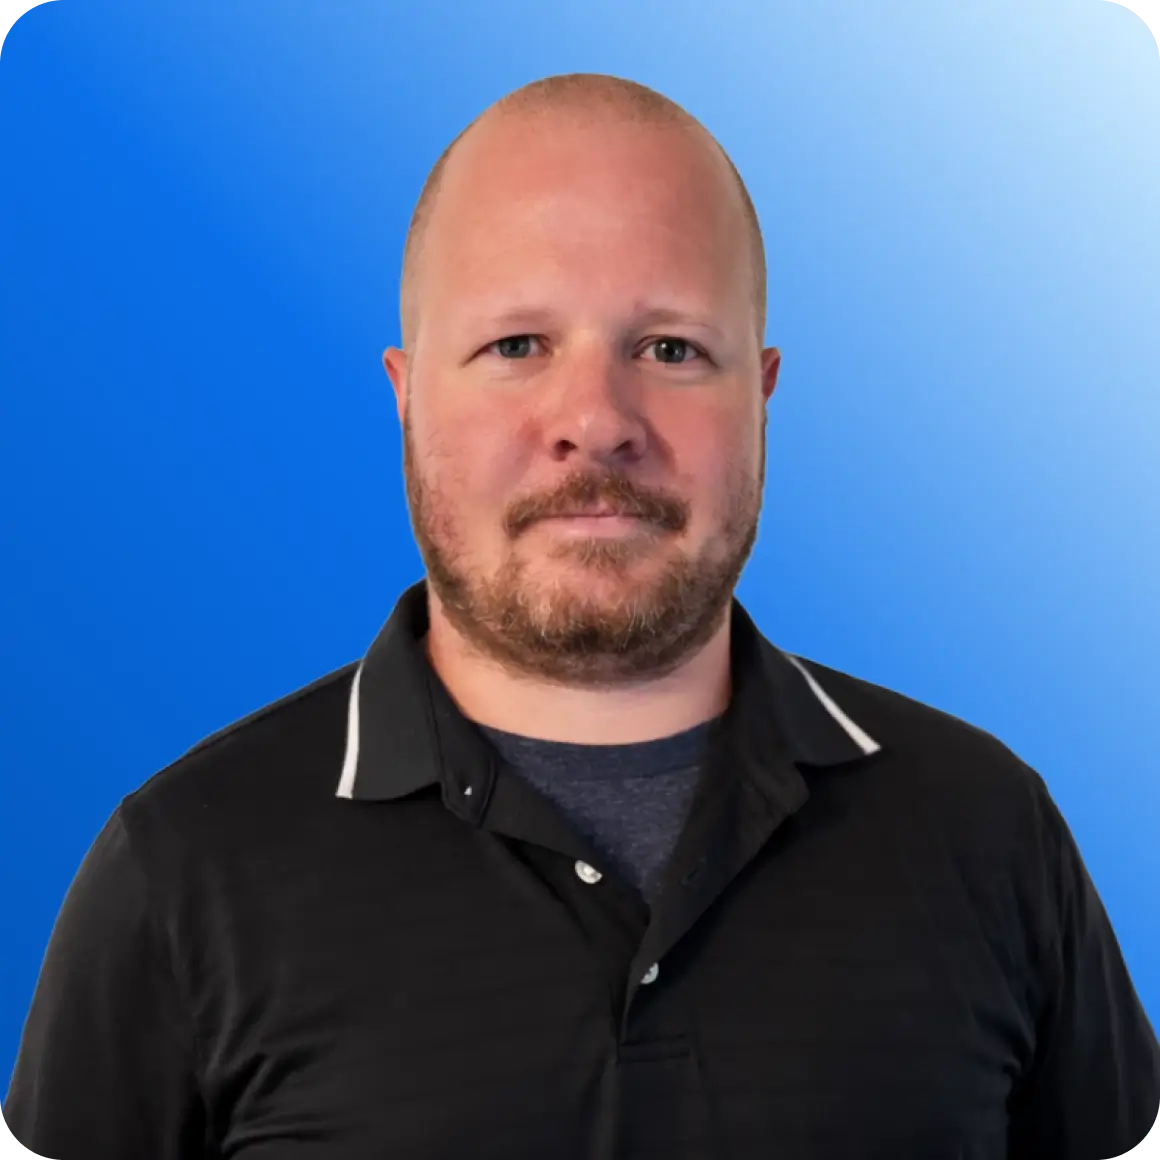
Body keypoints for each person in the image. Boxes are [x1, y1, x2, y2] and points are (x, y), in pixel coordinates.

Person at [2, 71, 1157, 1160]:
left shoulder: (988, 832)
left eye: (669, 348)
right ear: (407, 396)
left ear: (759, 395)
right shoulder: (181, 871)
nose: (595, 419)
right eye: (516, 344)